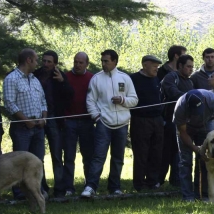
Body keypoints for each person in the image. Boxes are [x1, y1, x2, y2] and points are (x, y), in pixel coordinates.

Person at [83, 50, 138, 197]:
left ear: (115, 62)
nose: (103, 63)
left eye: (106, 61)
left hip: (122, 124)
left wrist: (123, 100)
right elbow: (90, 101)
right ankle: (91, 187)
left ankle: (114, 187)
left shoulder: (125, 78)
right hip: (103, 124)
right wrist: (96, 117)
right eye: (102, 61)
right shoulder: (96, 78)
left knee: (118, 157)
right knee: (98, 156)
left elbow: (134, 100)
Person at [3, 48, 49, 199]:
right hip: (21, 128)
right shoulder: (12, 79)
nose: (37, 63)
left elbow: (43, 101)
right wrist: (26, 120)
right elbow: (9, 103)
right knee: (19, 162)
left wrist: (43, 118)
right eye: (35, 60)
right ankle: (19, 194)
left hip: (38, 127)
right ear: (28, 60)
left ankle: (37, 192)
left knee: (38, 161)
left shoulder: (34, 79)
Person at [173, 89, 214, 201]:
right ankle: (187, 196)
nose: (197, 113)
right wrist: (196, 149)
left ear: (204, 100)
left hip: (205, 125)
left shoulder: (213, 100)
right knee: (185, 162)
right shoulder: (180, 107)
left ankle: (204, 195)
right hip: (186, 129)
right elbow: (183, 133)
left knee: (205, 161)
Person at [33, 50, 73, 198]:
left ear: (55, 63)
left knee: (57, 155)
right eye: (44, 61)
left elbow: (70, 95)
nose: (46, 64)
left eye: (49, 62)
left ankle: (60, 189)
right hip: (38, 118)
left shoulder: (60, 76)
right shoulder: (35, 75)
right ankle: (42, 188)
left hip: (55, 118)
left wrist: (62, 82)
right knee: (38, 156)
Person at [158, 54, 195, 187]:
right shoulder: (171, 77)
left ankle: (176, 181)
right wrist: (189, 97)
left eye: (192, 67)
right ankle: (159, 180)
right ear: (180, 66)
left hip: (184, 122)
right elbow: (172, 92)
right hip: (168, 120)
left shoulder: (190, 82)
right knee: (166, 151)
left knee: (179, 153)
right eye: (188, 66)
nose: (190, 69)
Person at [62, 52, 95, 197]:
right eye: (76, 62)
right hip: (69, 120)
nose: (78, 65)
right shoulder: (66, 77)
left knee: (88, 155)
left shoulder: (92, 78)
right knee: (69, 156)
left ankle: (89, 185)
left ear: (86, 64)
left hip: (87, 120)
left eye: (81, 62)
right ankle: (69, 187)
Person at [129, 55, 164, 191]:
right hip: (140, 119)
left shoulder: (157, 79)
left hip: (157, 119)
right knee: (141, 153)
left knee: (156, 152)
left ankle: (152, 181)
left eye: (157, 66)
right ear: (145, 65)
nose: (156, 68)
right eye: (154, 65)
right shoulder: (133, 79)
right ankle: (139, 183)